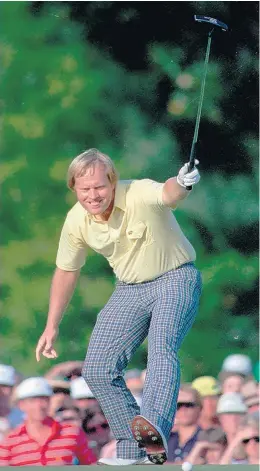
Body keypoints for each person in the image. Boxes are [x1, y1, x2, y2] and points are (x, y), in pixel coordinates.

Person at [35, 148, 202, 465]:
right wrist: (51, 325)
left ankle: (155, 427)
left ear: (112, 182)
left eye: (99, 186)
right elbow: (67, 271)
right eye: (85, 189)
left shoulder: (137, 192)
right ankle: (132, 444)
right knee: (97, 368)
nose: (93, 195)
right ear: (74, 188)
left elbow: (168, 194)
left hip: (176, 277)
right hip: (129, 288)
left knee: (162, 345)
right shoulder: (76, 221)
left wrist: (183, 181)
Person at [0, 377, 96, 466]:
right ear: (21, 405)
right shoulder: (10, 442)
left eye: (44, 399)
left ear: (50, 401)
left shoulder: (72, 432)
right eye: (32, 400)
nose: (39, 405)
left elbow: (90, 464)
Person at [167, 385, 202, 464]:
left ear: (200, 408)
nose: (183, 410)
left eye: (189, 405)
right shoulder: (165, 439)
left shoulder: (208, 436)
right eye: (178, 405)